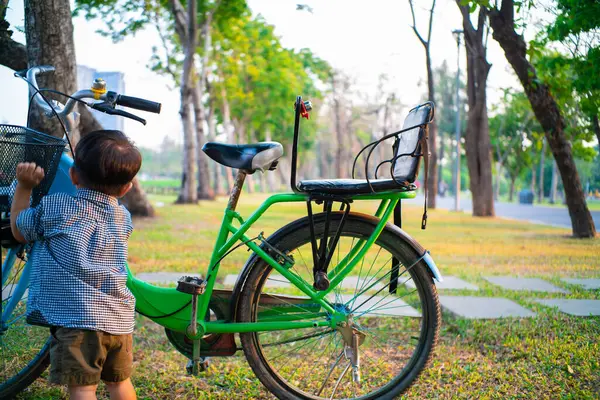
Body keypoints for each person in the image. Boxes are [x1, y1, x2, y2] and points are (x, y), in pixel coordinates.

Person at [10, 130, 141, 400]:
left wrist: (24, 186)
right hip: (119, 320)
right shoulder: (123, 217)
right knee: (119, 383)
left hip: (79, 321)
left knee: (82, 388)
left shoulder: (56, 206)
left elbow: (19, 231)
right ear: (127, 187)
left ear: (73, 176)